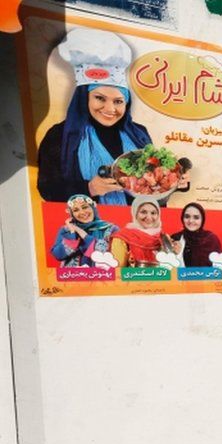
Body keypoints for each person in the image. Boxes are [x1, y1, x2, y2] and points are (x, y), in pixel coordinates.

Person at [37, 29, 152, 205]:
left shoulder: (139, 134)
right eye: (100, 98)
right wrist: (89, 188)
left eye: (118, 101)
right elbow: (47, 189)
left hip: (136, 226)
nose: (110, 109)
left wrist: (176, 183)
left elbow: (153, 192)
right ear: (84, 98)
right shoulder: (60, 135)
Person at [49, 194, 118, 267]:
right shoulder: (66, 230)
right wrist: (72, 233)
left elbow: (112, 255)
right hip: (72, 276)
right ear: (72, 214)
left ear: (93, 207)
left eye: (85, 207)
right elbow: (58, 255)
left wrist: (83, 235)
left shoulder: (110, 229)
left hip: (100, 275)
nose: (82, 212)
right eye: (76, 210)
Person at [111, 196, 173, 267]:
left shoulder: (163, 237)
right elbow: (117, 272)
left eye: (153, 213)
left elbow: (171, 269)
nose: (149, 217)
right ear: (135, 213)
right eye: (143, 212)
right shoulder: (122, 238)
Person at [171, 202, 222, 268]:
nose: (191, 221)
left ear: (202, 220)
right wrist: (173, 254)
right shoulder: (175, 238)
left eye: (196, 217)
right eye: (187, 216)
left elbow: (220, 268)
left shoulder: (211, 239)